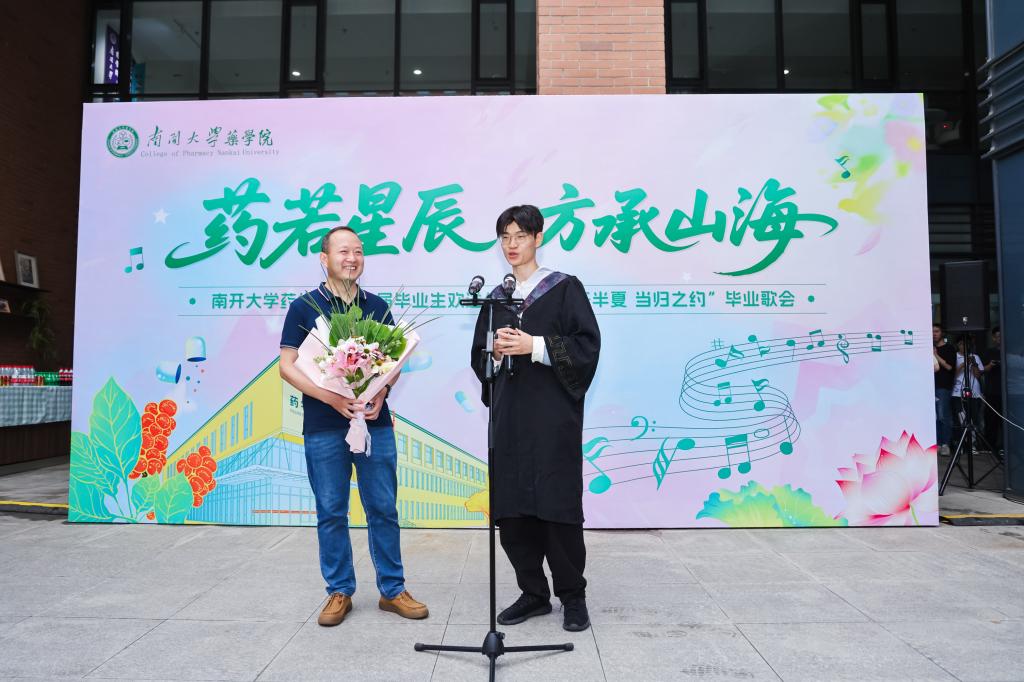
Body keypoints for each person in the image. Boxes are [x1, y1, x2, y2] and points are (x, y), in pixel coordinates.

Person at [279, 225, 428, 626]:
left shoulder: (376, 306)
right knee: (331, 511)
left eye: (358, 251)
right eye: (343, 251)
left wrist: (382, 391)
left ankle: (392, 590)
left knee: (383, 508)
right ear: (324, 258)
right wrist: (329, 397)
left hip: (374, 424)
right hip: (323, 424)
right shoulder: (305, 307)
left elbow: (393, 363)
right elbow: (287, 366)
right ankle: (339, 590)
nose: (352, 258)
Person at [470, 205, 601, 632]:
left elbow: (586, 348)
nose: (511, 245)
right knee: (513, 513)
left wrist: (535, 346)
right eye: (505, 237)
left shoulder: (564, 289)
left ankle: (573, 595)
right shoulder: (495, 299)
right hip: (510, 420)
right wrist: (493, 353)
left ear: (538, 238)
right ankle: (533, 592)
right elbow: (478, 359)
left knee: (556, 507)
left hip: (552, 420)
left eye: (520, 236)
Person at [953, 336, 984, 451]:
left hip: (974, 391)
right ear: (957, 345)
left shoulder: (975, 357)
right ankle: (962, 444)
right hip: (957, 392)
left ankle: (973, 445)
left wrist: (974, 364)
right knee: (961, 418)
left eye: (966, 344)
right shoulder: (954, 356)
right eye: (961, 344)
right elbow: (952, 375)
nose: (964, 346)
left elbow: (978, 375)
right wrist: (963, 364)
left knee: (974, 418)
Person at [933, 324, 957, 456]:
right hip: (930, 386)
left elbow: (949, 367)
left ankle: (945, 444)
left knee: (943, 415)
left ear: (942, 333)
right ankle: (936, 443)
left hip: (943, 386)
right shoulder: (929, 347)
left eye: (936, 331)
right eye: (932, 332)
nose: (934, 334)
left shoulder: (949, 348)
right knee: (934, 416)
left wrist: (935, 355)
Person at [981, 326, 1003, 455]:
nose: (1000, 338)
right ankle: (990, 447)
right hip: (992, 391)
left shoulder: (1012, 351)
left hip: (1009, 392)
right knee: (991, 420)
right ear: (994, 338)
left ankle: (1006, 446)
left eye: (1002, 336)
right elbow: (981, 370)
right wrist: (990, 365)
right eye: (998, 336)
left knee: (1006, 421)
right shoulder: (989, 352)